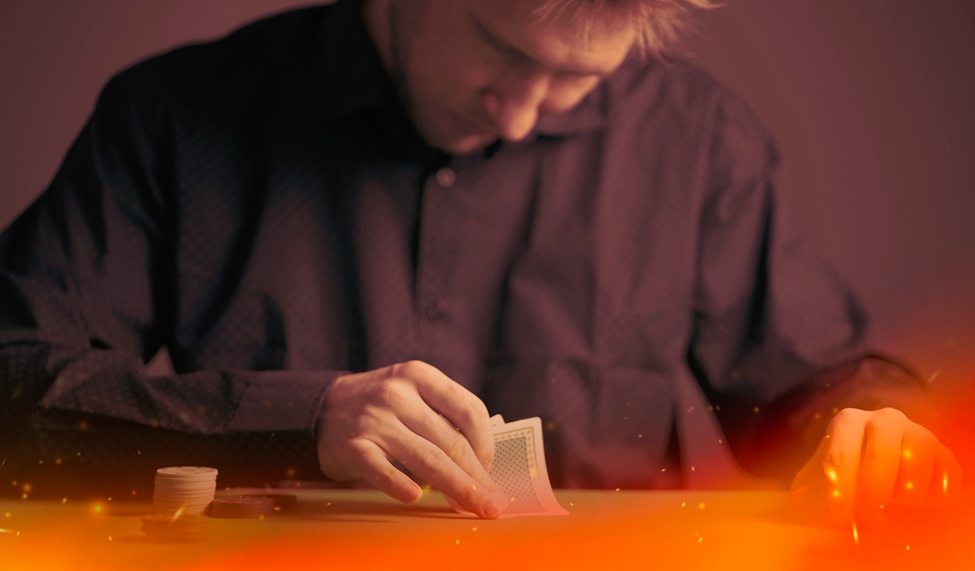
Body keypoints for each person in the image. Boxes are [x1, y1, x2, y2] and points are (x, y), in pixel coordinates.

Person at [0, 0, 961, 525]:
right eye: (499, 51)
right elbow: (11, 383)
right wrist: (297, 419)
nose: (517, 116)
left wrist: (876, 431)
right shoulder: (172, 122)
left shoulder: (696, 144)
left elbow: (831, 384)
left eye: (579, 78)